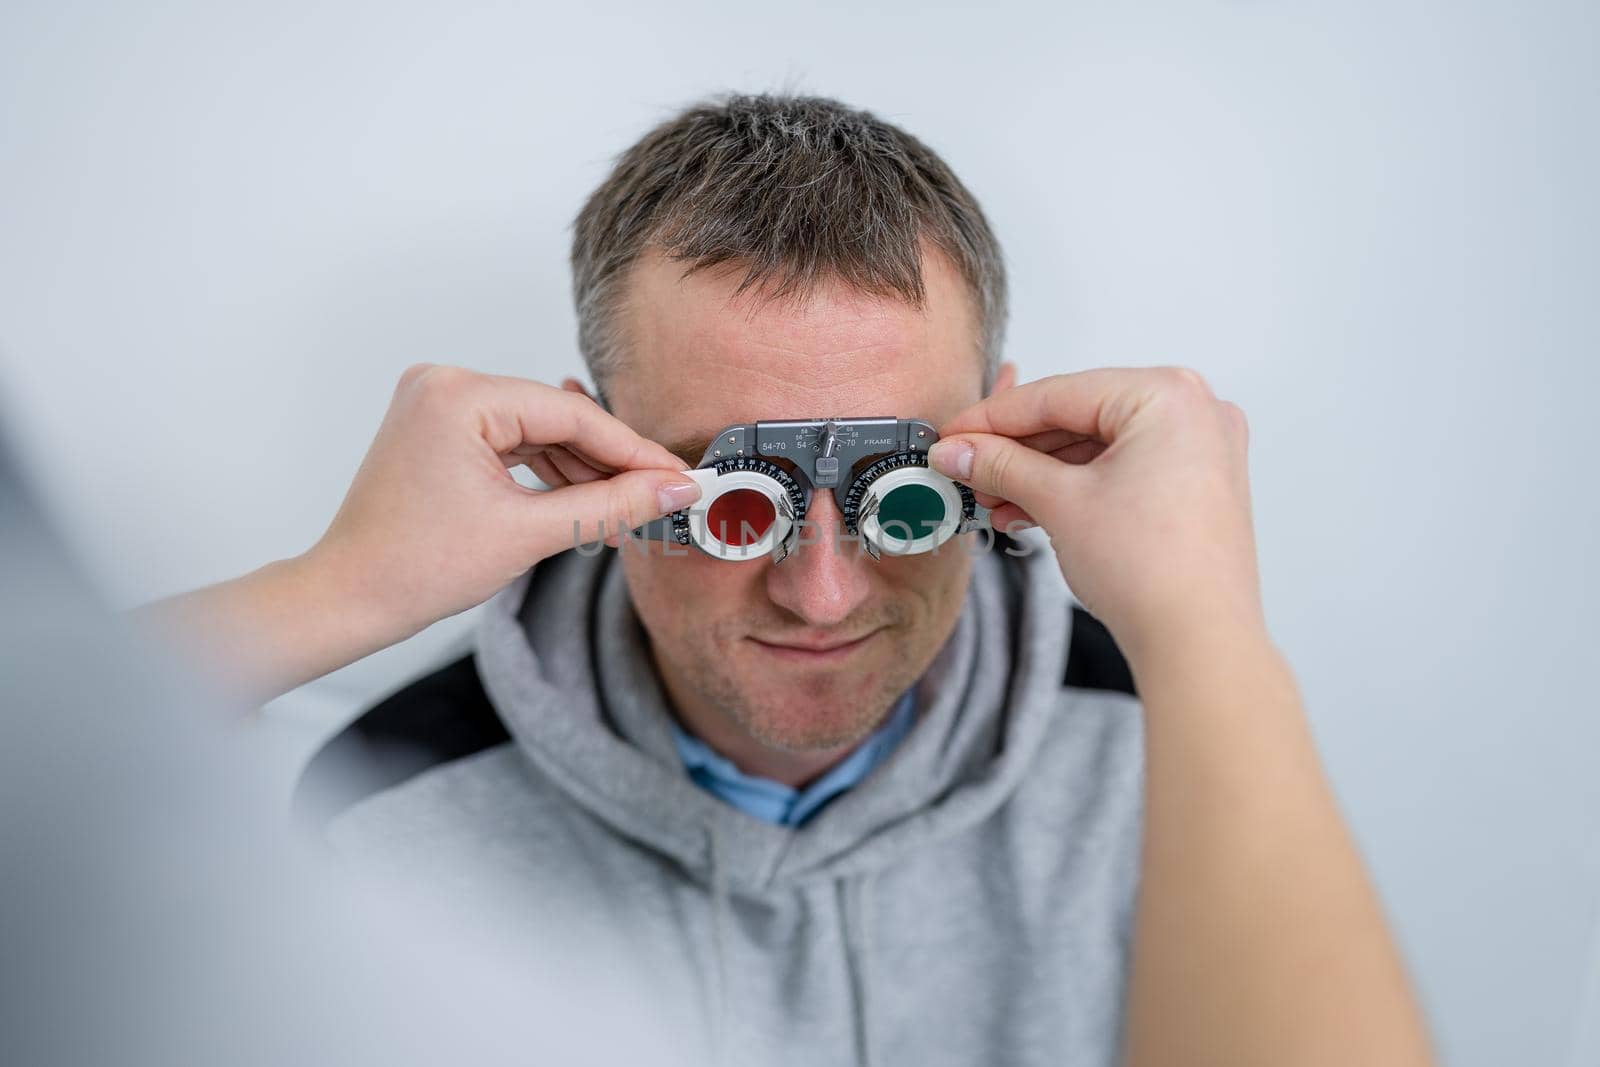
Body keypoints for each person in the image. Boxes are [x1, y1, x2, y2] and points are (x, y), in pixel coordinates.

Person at [141, 94, 1434, 1066]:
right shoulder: (387, 815)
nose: (821, 594)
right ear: (591, 448)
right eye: (731, 501)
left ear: (1000, 446)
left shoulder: (1180, 755)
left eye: (903, 498)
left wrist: (1200, 631)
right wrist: (339, 591)